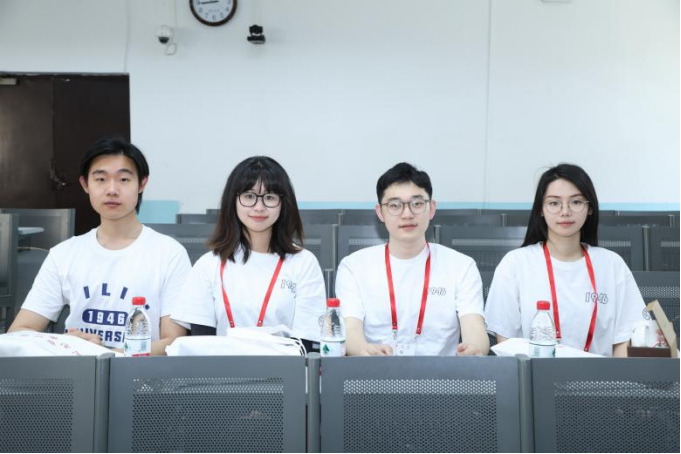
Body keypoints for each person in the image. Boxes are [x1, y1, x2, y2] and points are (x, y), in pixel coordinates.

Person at [9, 136, 191, 354]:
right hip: (77, 371)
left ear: (142, 183)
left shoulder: (169, 253)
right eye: (101, 179)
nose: (112, 189)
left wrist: (110, 355)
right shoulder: (63, 254)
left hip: (140, 373)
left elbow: (174, 341)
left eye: (124, 179)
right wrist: (65, 343)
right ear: (85, 184)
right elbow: (19, 332)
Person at [485, 163, 645, 357]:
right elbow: (507, 344)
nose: (565, 211)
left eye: (576, 202)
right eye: (554, 203)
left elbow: (624, 341)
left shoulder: (612, 264)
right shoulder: (515, 264)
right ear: (541, 209)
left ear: (590, 208)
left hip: (600, 375)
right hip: (537, 374)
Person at [171, 156, 326, 351]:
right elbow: (201, 345)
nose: (259, 207)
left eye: (270, 197)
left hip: (286, 369)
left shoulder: (304, 262)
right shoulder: (208, 265)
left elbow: (306, 346)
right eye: (249, 196)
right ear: (233, 200)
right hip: (221, 369)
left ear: (283, 203)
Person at [335, 162, 489, 356]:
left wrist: (475, 349)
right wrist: (363, 350)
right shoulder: (353, 267)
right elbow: (350, 328)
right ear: (380, 212)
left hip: (442, 373)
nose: (407, 214)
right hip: (376, 370)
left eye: (417, 204)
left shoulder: (461, 266)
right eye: (395, 205)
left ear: (431, 209)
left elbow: (474, 325)